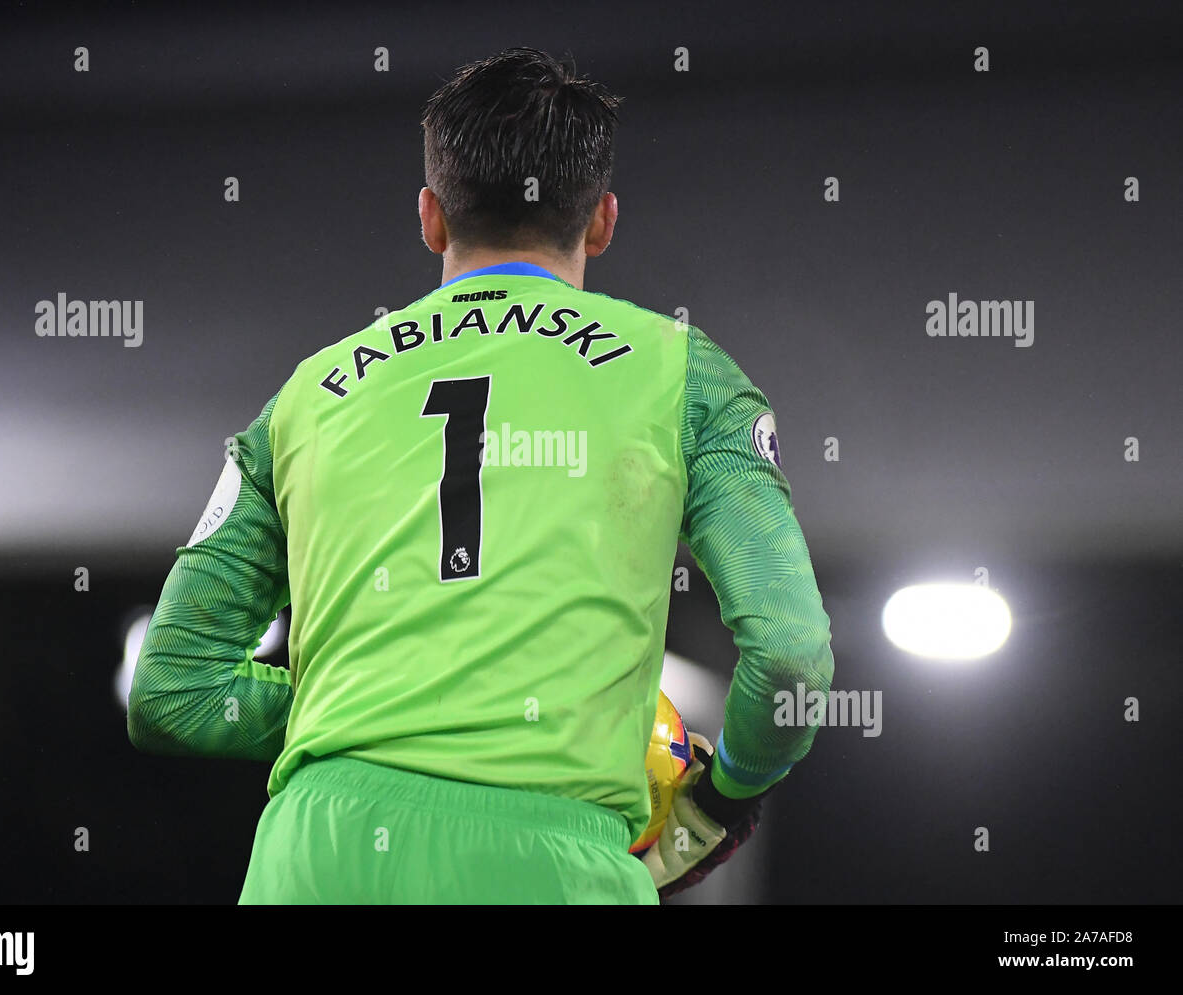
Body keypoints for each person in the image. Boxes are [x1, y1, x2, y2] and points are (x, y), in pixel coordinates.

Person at [127, 47, 834, 904]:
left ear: (430, 216)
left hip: (315, 857)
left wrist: (366, 706)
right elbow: (793, 658)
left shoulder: (305, 395)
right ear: (604, 220)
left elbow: (174, 687)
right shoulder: (685, 376)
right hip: (547, 861)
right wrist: (721, 798)